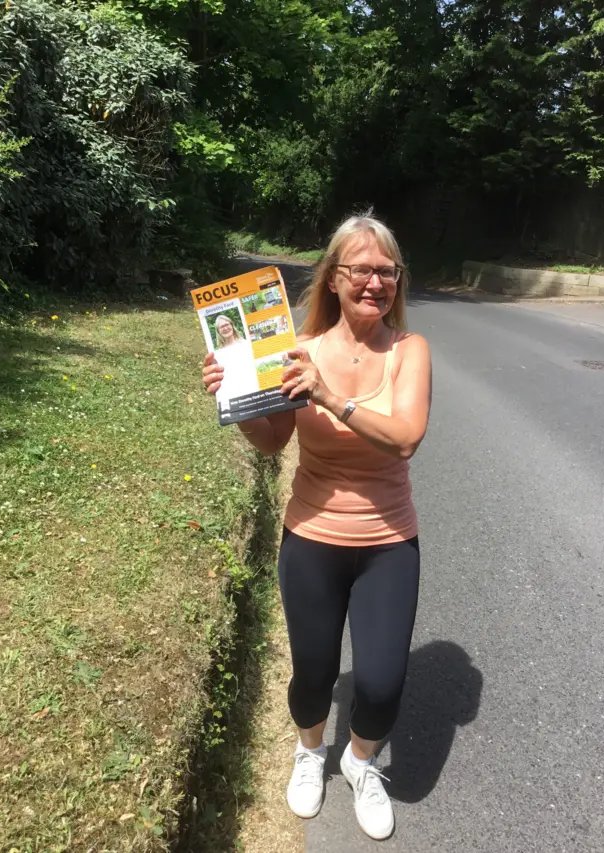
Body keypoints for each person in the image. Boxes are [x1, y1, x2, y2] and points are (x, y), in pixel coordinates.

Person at [201, 212, 432, 840]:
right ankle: (310, 754)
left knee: (382, 683)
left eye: (387, 271)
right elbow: (273, 442)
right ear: (333, 277)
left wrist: (331, 398)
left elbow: (406, 438)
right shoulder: (294, 351)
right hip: (311, 536)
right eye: (360, 269)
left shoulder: (411, 351)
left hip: (388, 540)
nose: (374, 282)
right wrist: (235, 398)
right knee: (312, 671)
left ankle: (360, 762)